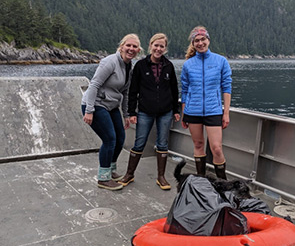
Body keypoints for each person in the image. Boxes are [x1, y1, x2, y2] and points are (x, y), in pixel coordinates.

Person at [118, 33, 180, 190]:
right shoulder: (140, 66)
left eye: (162, 46)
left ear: (165, 49)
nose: (158, 49)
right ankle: (129, 174)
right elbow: (133, 91)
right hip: (145, 111)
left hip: (165, 111)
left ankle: (161, 177)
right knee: (139, 143)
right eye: (156, 45)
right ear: (150, 45)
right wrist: (131, 112)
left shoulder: (169, 66)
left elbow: (174, 89)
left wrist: (176, 110)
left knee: (162, 143)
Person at [81, 34, 142, 190]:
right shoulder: (110, 62)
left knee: (120, 138)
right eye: (128, 45)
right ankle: (103, 178)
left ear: (138, 50)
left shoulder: (129, 66)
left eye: (135, 47)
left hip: (111, 106)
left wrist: (126, 114)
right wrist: (89, 110)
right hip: (96, 104)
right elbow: (94, 85)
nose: (131, 49)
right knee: (109, 139)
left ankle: (111, 170)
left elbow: (126, 92)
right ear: (121, 46)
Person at [180, 26, 232, 179]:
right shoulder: (188, 64)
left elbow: (226, 87)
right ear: (193, 43)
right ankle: (201, 180)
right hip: (192, 111)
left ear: (208, 40)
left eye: (203, 39)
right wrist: (184, 113)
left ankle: (223, 183)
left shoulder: (220, 61)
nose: (200, 43)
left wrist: (226, 113)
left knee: (216, 148)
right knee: (198, 145)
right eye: (197, 40)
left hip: (213, 110)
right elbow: (184, 90)